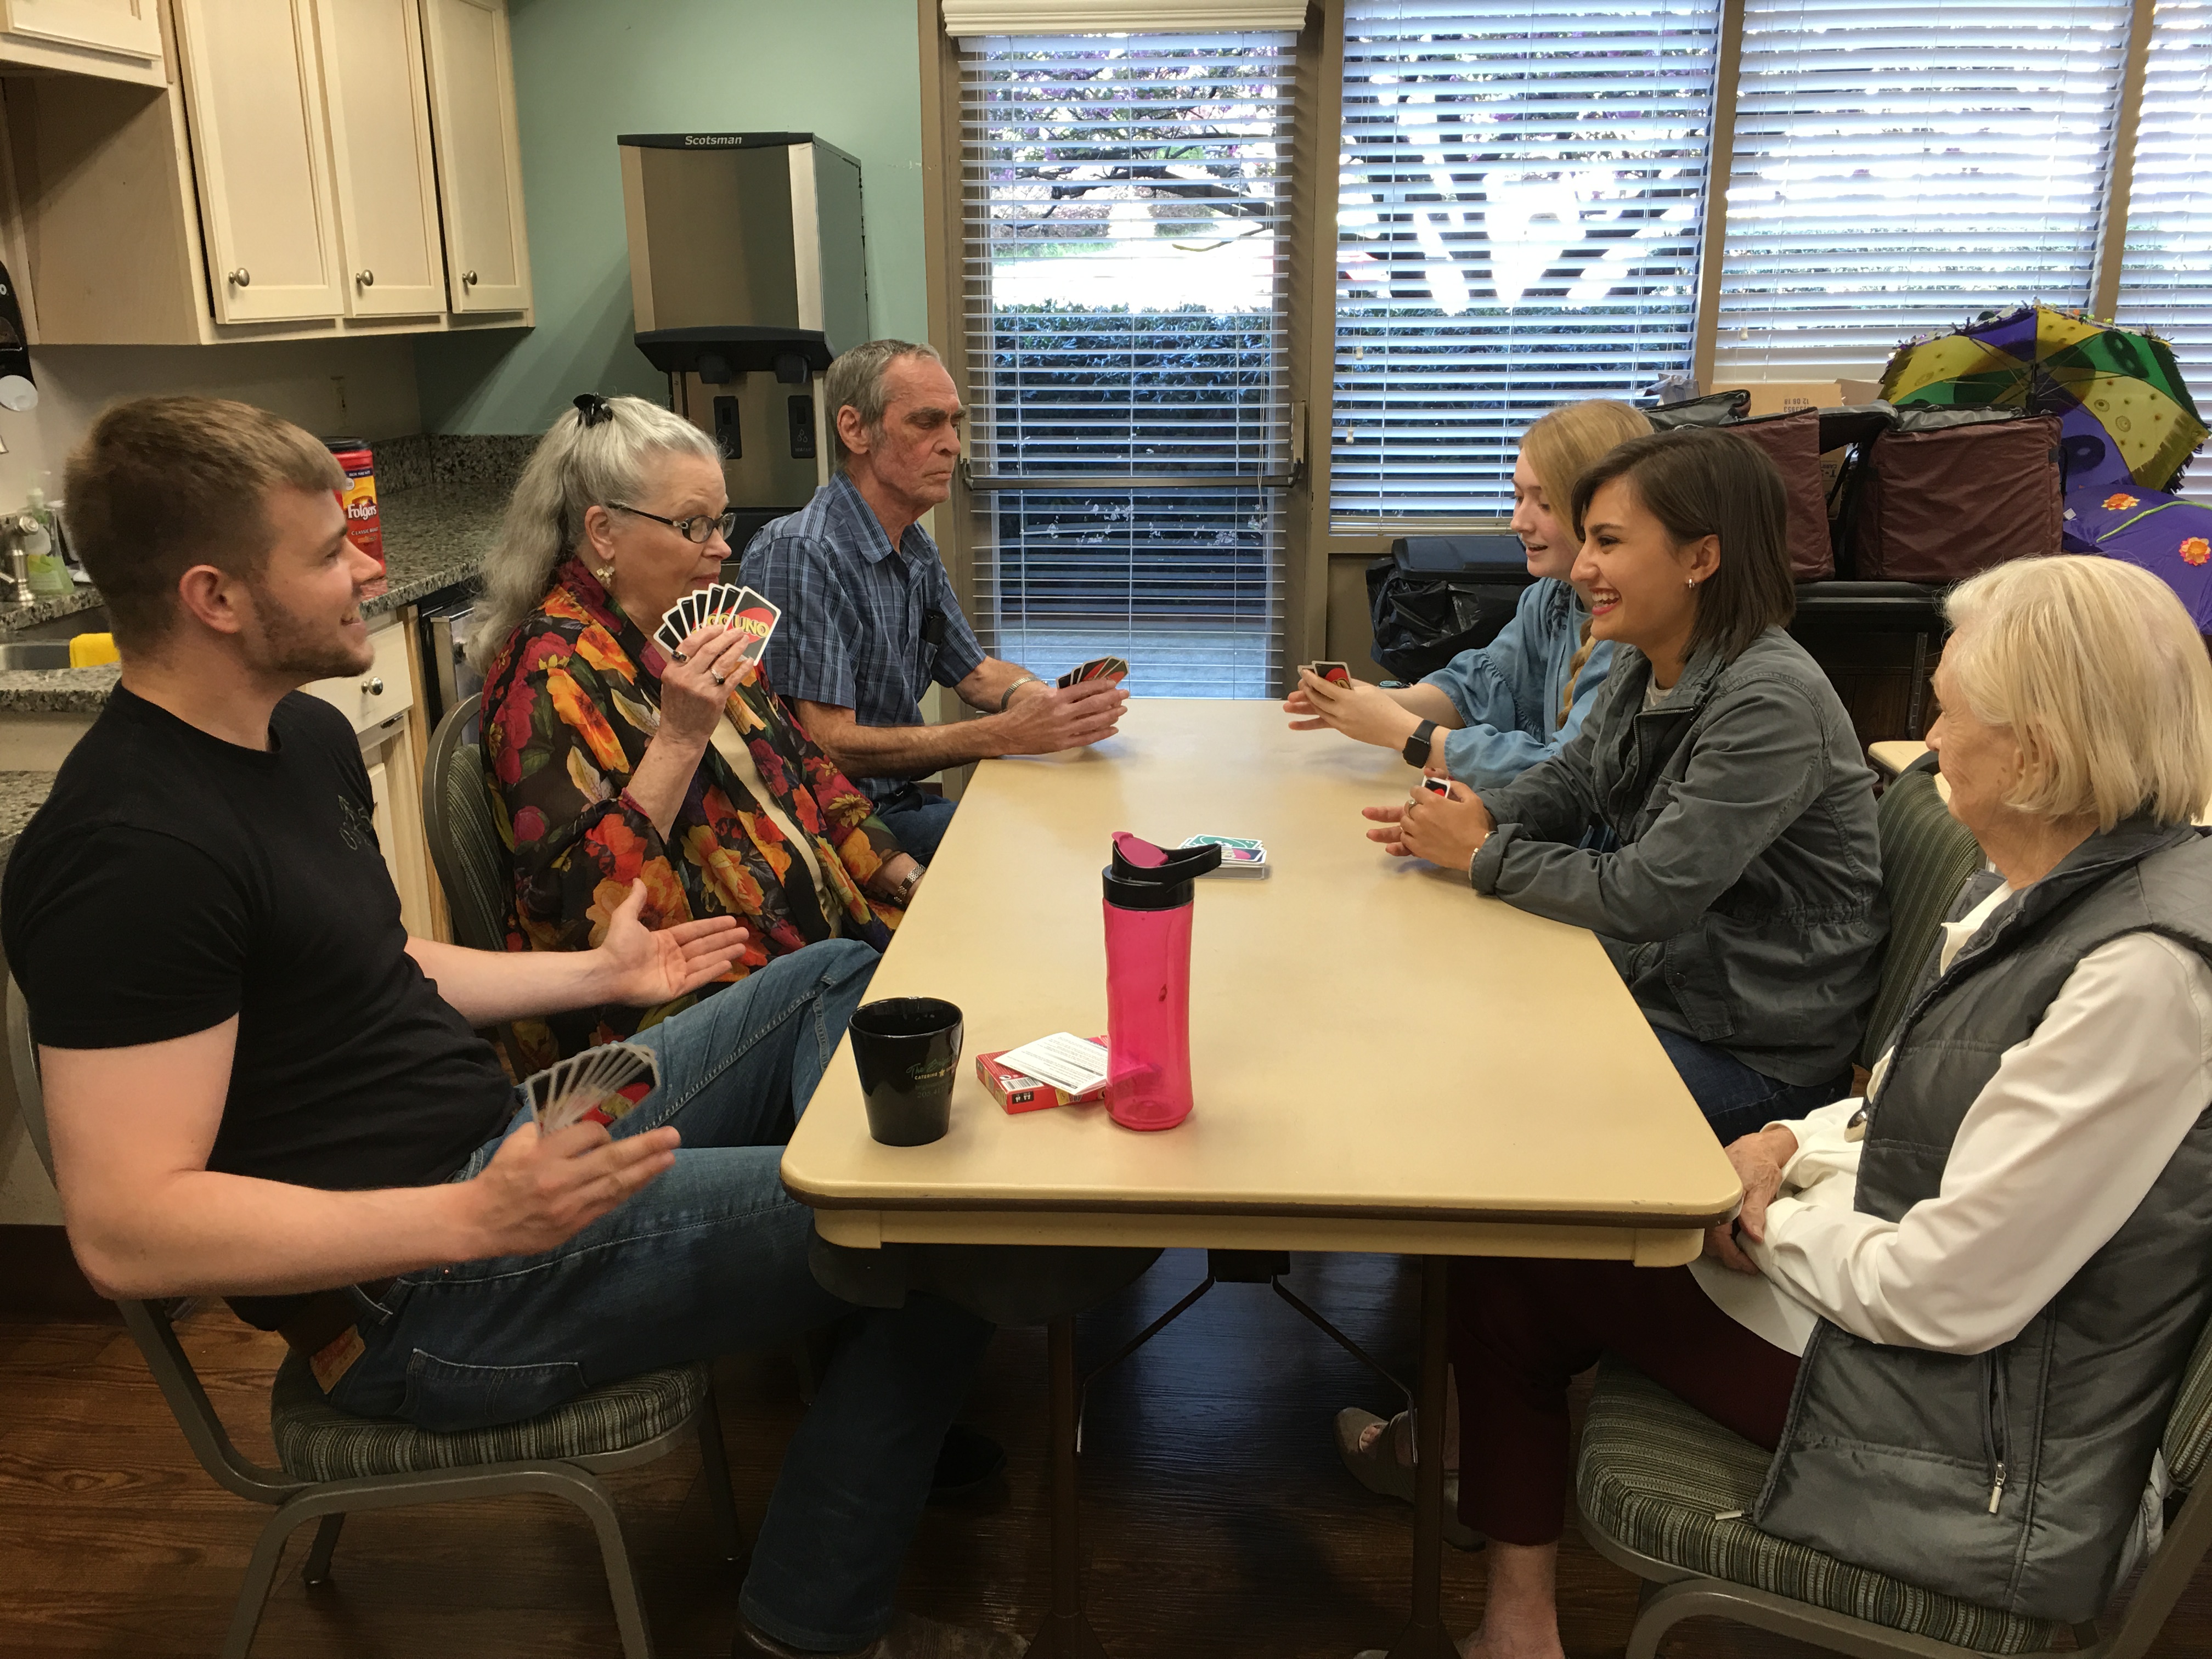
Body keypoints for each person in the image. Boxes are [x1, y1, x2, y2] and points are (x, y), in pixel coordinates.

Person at [9, 396, 1026, 1659]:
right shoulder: (126, 854)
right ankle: (814, 1623)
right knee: (955, 1227)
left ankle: (862, 1282)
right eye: (327, 554)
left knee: (827, 982)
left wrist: (595, 971)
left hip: (503, 1144)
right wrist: (471, 1219)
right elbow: (122, 1231)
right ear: (214, 596)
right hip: (417, 1297)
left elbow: (379, 968)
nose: (369, 569)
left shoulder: (298, 739)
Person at [1359, 555, 2212, 1659]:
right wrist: (1777, 1142)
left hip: (1993, 1443)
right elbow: (1907, 1103)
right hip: (1949, 1337)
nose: (1925, 742)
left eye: (1947, 716)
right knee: (1526, 1255)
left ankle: (1513, 1631)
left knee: (1522, 1263)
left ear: (2039, 752)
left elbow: (1952, 1297)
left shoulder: (2142, 974)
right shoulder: (2043, 877)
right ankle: (1512, 1621)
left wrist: (1760, 1216)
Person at [1364, 427, 1883, 1141]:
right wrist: (1480, 811)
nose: (1581, 570)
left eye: (1607, 543)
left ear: (1701, 558)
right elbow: (1572, 783)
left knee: (1474, 1101)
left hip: (1753, 1054)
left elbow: (1649, 894)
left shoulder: (1771, 701)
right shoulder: (1645, 658)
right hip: (1665, 989)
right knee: (1429, 1020)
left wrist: (1484, 852)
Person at [471, 393, 923, 1071]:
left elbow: (811, 774)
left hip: (814, 950)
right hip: (671, 1019)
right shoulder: (547, 672)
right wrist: (679, 740)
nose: (722, 547)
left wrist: (908, 878)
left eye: (720, 521)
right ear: (603, 532)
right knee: (861, 992)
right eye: (692, 526)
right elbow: (566, 914)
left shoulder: (693, 627)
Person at [741, 338, 1128, 862]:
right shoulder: (799, 551)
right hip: (835, 827)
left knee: (1077, 822)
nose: (952, 445)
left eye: (954, 423)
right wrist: (1005, 734)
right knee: (1038, 855)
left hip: (897, 802)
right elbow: (826, 744)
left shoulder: (913, 541)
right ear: (855, 430)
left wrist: (1051, 704)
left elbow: (974, 673)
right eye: (927, 423)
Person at [1285, 399, 1649, 788]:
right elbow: (1482, 684)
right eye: (1517, 497)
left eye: (1544, 503)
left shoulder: (1635, 632)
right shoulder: (1552, 597)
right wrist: (1381, 704)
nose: (1518, 522)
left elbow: (1565, 778)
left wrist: (1405, 732)